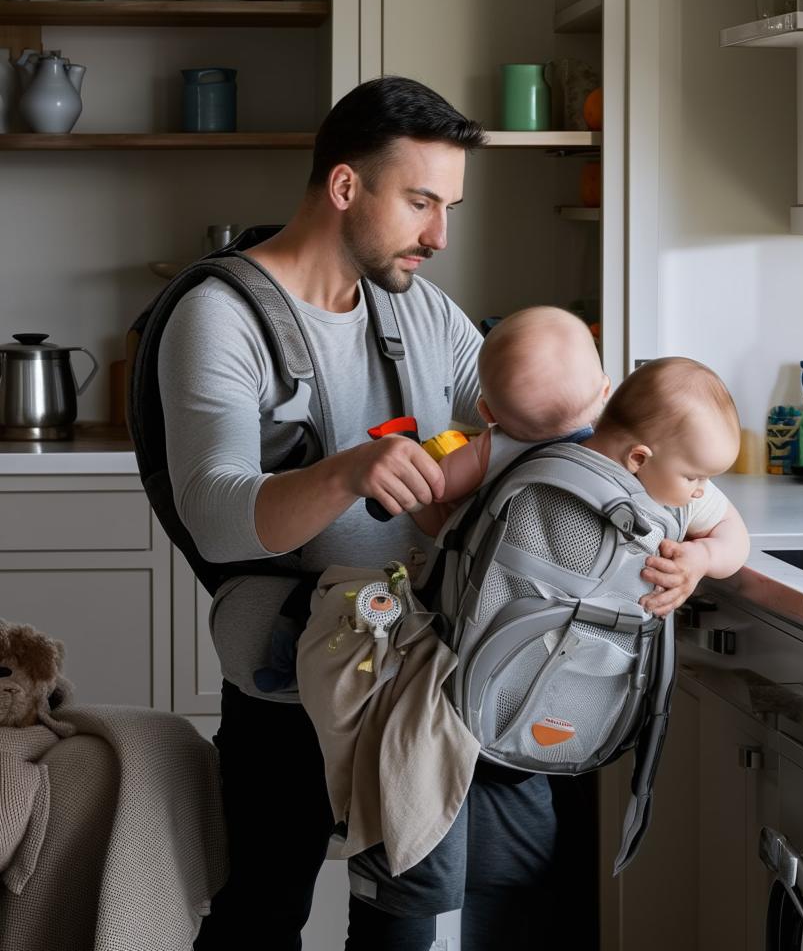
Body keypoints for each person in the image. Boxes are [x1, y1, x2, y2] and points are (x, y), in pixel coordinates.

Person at [159, 75, 704, 951]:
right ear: (345, 187)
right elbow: (216, 514)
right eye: (420, 202)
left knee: (411, 922)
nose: (440, 235)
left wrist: (689, 510)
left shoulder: (417, 309)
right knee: (263, 912)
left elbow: (546, 433)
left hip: (432, 670)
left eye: (447, 206)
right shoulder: (220, 317)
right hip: (291, 672)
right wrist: (347, 473)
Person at [411, 304, 610, 535]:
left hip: (500, 559)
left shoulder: (488, 449)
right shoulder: (606, 448)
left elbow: (438, 488)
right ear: (605, 391)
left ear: (486, 412)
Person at [583, 356, 751, 604]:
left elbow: (735, 535)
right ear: (639, 458)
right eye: (694, 478)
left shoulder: (675, 488)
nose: (700, 491)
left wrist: (703, 556)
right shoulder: (570, 465)